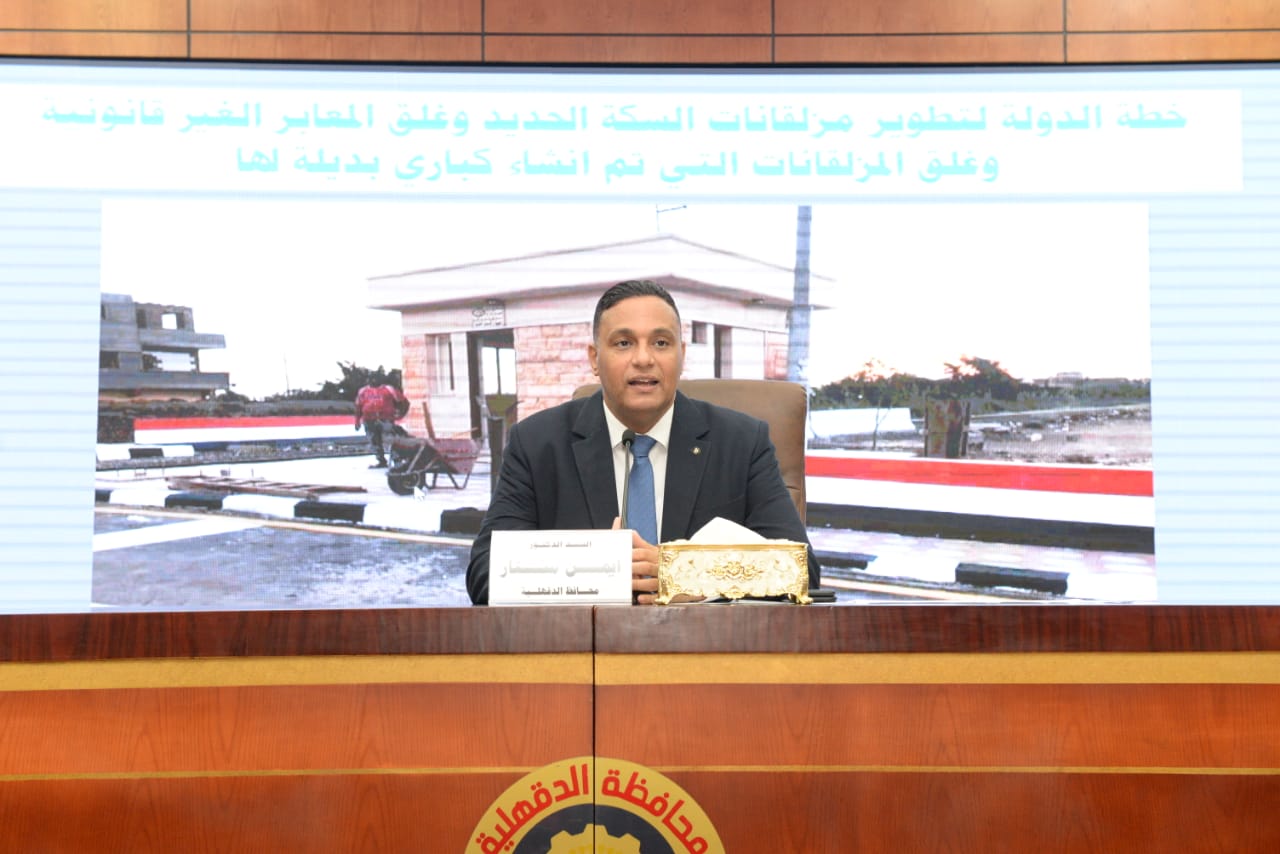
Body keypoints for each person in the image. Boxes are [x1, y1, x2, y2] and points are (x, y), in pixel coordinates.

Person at [466, 279, 820, 605]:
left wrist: (685, 573)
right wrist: (598, 569)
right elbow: (484, 573)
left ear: (681, 354)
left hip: (705, 647)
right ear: (594, 358)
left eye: (661, 343)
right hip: (584, 647)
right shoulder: (536, 444)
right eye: (623, 343)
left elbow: (803, 572)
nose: (644, 359)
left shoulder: (741, 443)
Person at [354, 371, 407, 468]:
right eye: (371, 379)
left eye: (376, 378)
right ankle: (381, 461)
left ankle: (397, 460)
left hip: (386, 419)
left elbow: (403, 401)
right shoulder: (363, 391)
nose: (373, 380)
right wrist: (357, 421)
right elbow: (358, 407)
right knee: (374, 441)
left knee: (391, 440)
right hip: (369, 420)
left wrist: (401, 414)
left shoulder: (389, 389)